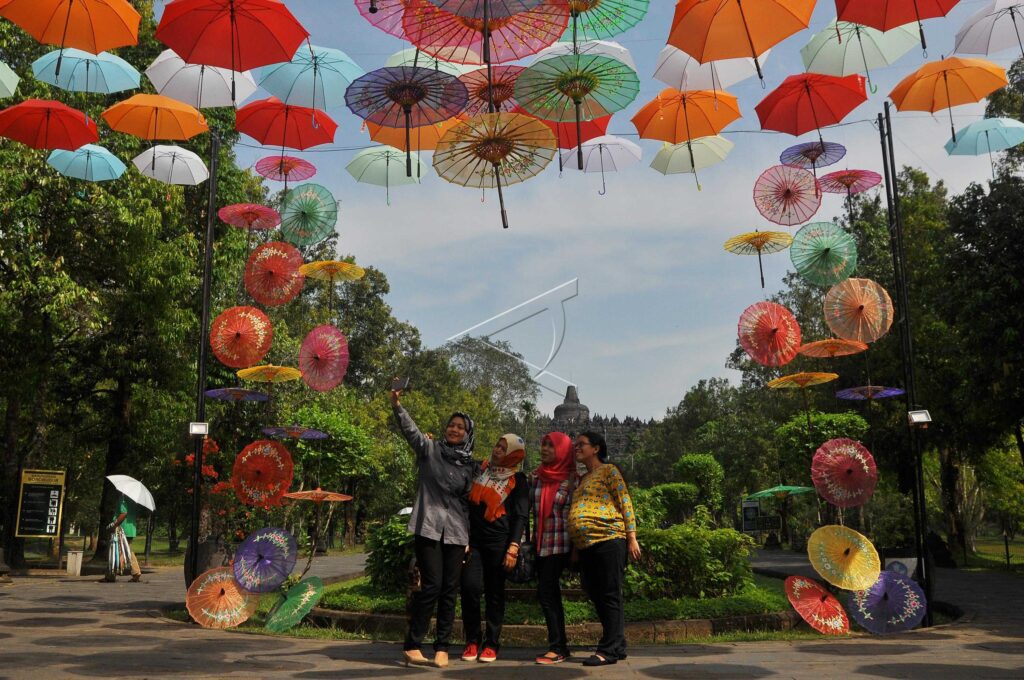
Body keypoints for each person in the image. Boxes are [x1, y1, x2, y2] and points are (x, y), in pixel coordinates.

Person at [391, 387, 476, 668]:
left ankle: (442, 647)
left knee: (450, 589)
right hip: (428, 526)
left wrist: (468, 539)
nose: (454, 429)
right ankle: (413, 645)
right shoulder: (430, 450)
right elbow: (412, 433)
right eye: (451, 425)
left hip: (456, 532)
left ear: (467, 433)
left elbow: (467, 504)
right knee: (432, 586)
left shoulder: (469, 466)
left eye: (460, 427)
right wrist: (397, 405)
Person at [568, 431, 640, 666]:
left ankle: (608, 649)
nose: (576, 448)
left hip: (609, 539)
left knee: (609, 593)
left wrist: (632, 536)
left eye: (581, 444)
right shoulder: (583, 479)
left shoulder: (609, 471)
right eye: (575, 445)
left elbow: (624, 501)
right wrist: (577, 547)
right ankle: (617, 645)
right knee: (594, 591)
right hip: (587, 546)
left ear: (596, 448)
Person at [460, 434, 528, 664]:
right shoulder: (482, 471)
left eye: (503, 448)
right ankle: (472, 639)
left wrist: (513, 547)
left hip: (500, 544)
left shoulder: (518, 479)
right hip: (475, 542)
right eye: (497, 445)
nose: (497, 450)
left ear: (513, 455)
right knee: (469, 587)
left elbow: (520, 515)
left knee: (494, 593)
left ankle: (491, 642)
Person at [530, 431, 576, 665]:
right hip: (541, 545)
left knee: (548, 594)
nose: (545, 449)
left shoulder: (572, 480)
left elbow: (576, 515)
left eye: (551, 446)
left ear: (563, 450)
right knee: (548, 594)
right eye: (544, 444)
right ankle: (560, 645)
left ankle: (558, 647)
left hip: (560, 545)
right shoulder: (537, 477)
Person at [104, 494, 141, 583]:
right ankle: (136, 572)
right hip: (131, 528)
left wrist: (114, 524)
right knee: (127, 550)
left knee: (114, 550)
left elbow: (124, 513)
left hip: (122, 528)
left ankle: (111, 575)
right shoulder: (133, 498)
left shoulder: (123, 498)